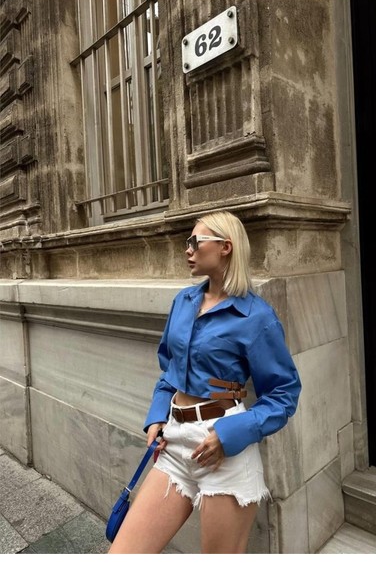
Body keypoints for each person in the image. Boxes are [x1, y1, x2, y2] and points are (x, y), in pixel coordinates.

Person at [108, 211, 301, 554]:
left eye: (195, 241)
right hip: (173, 442)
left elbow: (283, 394)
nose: (188, 249)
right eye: (188, 242)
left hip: (221, 447)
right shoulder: (183, 302)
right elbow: (169, 369)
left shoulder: (256, 317)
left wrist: (230, 435)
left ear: (226, 247)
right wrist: (157, 416)